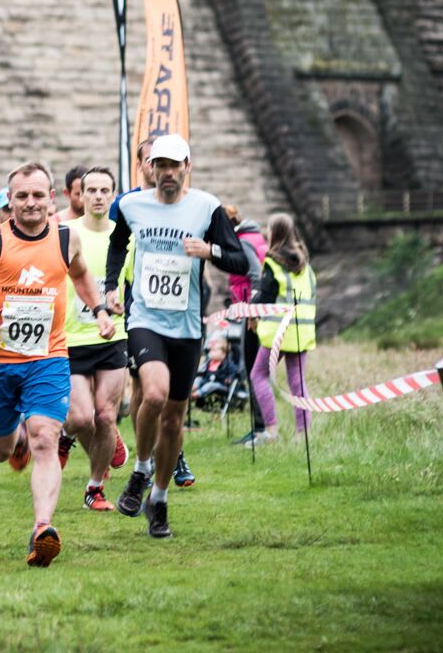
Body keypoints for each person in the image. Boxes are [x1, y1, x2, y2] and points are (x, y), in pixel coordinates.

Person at [0, 163, 113, 567]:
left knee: (45, 437)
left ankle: (43, 528)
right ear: (9, 201)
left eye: (38, 195)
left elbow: (81, 277)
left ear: (51, 197)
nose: (30, 203)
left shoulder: (65, 238)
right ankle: (13, 440)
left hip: (49, 358)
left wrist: (100, 309)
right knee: (1, 451)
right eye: (21, 196)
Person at [105, 134, 251, 539]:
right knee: (152, 394)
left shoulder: (206, 207)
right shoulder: (131, 204)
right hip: (144, 318)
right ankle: (140, 470)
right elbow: (117, 245)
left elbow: (240, 258)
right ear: (149, 167)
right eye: (159, 165)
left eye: (174, 166)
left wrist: (210, 252)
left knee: (174, 419)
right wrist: (110, 287)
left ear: (188, 166)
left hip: (187, 326)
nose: (167, 173)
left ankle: (160, 497)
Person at [62, 167, 130, 511]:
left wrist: (121, 301)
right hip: (71, 339)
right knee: (79, 418)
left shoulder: (123, 235)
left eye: (105, 190)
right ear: (82, 195)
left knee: (105, 416)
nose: (99, 196)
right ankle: (66, 435)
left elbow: (132, 283)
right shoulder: (65, 233)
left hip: (111, 337)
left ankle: (94, 487)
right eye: (92, 190)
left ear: (113, 195)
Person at [249, 213, 315, 442]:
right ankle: (302, 434)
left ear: (273, 233)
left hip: (278, 332)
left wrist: (251, 313)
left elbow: (266, 296)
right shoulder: (305, 263)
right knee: (298, 383)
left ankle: (271, 430)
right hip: (302, 331)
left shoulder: (273, 262)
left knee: (258, 375)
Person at [226, 205, 268, 444]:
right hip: (254, 311)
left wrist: (252, 309)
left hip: (253, 314)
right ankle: (261, 427)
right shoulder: (255, 236)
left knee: (251, 369)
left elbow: (255, 275)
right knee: (256, 370)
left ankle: (261, 428)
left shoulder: (244, 242)